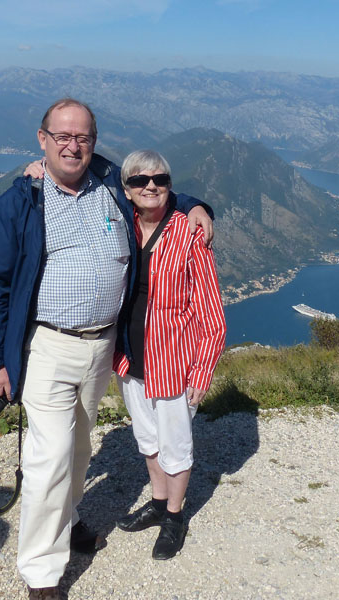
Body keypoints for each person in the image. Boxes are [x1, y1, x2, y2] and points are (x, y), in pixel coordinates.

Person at [0, 98, 214, 599]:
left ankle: (67, 521)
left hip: (103, 348)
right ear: (42, 139)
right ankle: (42, 574)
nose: (72, 146)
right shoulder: (21, 203)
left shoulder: (109, 188)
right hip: (48, 347)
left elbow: (152, 190)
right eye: (62, 136)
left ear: (94, 142)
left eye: (82, 137)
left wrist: (195, 206)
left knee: (81, 449)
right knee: (51, 456)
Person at [113, 150, 226, 560]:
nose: (151, 186)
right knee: (147, 439)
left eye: (159, 179)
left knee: (175, 445)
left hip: (174, 363)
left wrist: (202, 370)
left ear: (170, 185)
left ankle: (175, 517)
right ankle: (159, 503)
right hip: (130, 359)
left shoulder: (189, 233)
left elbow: (212, 313)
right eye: (140, 180)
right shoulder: (121, 224)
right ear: (126, 189)